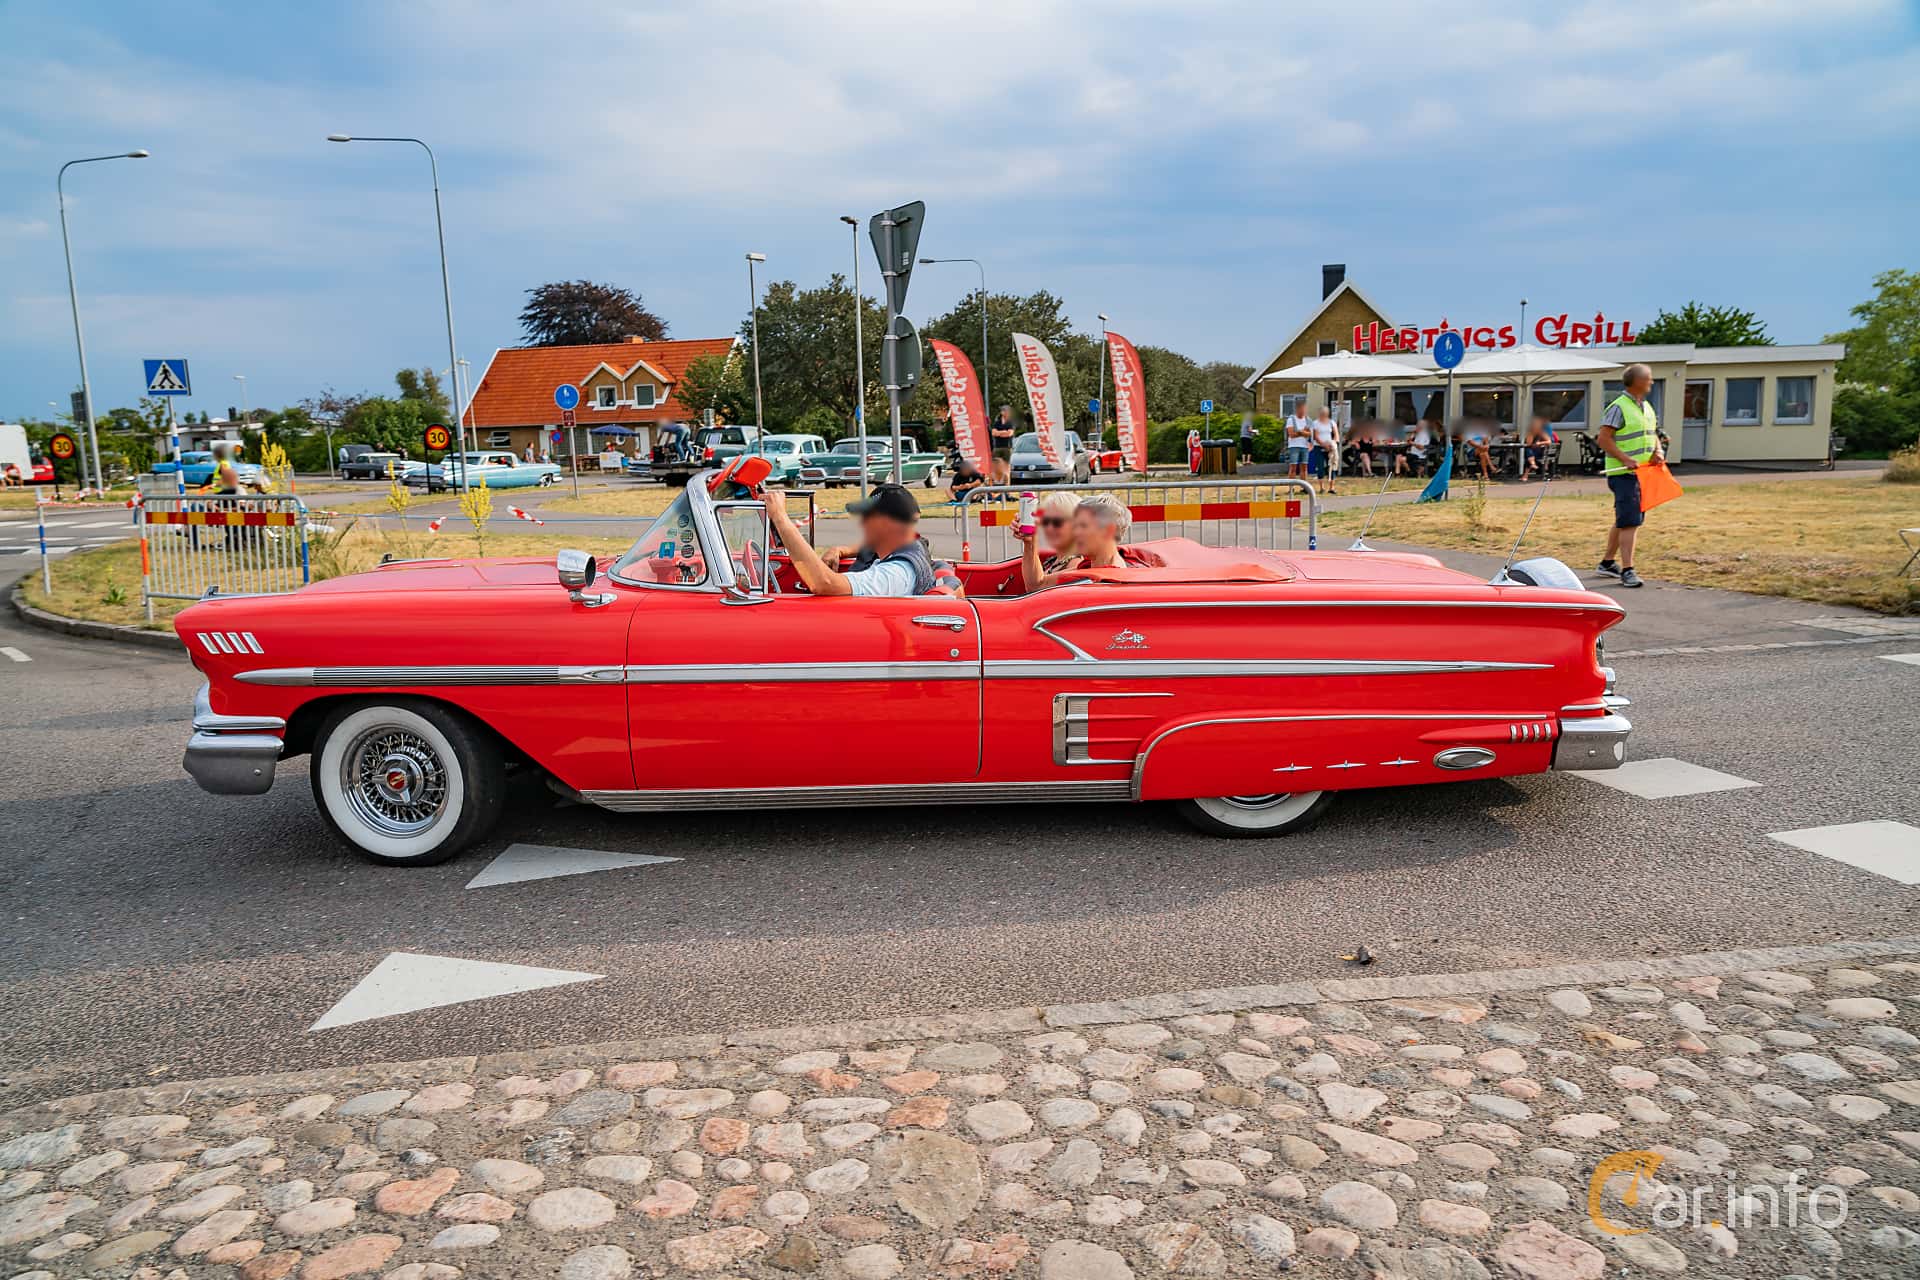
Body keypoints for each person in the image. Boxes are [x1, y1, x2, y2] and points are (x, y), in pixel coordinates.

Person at [765, 482, 931, 597]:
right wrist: (841, 550)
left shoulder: (895, 574)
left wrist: (780, 517)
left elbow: (824, 584)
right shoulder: (908, 547)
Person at [1596, 362, 1663, 589]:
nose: (1652, 382)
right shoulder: (1618, 407)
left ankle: (1606, 563)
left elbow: (1652, 433)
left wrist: (1658, 451)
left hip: (1642, 473)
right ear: (1638, 381)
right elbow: (1603, 439)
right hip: (1622, 473)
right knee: (1631, 521)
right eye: (1649, 378)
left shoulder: (1646, 407)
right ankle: (1628, 570)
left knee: (1624, 519)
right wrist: (1625, 459)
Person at [1019, 493, 1145, 591]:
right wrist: (1030, 542)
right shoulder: (1088, 566)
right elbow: (1036, 585)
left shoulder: (1110, 581)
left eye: (1083, 526)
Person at [1019, 491, 1082, 591]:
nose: (1049, 528)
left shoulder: (1076, 563)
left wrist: (1030, 542)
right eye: (1046, 521)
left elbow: (1035, 588)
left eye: (1057, 522)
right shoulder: (1056, 559)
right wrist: (1029, 540)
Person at [1312, 407, 1341, 494]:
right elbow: (1315, 436)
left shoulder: (1332, 423)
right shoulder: (1315, 423)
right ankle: (1321, 487)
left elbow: (1336, 435)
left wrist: (1333, 443)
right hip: (1319, 447)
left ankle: (1332, 487)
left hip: (1331, 447)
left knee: (1332, 466)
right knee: (1320, 466)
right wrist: (1324, 445)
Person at [1522, 414, 1556, 479]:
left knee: (1528, 452)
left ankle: (1527, 472)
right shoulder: (1531, 433)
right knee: (1528, 450)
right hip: (1534, 451)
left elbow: (1549, 441)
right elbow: (1529, 443)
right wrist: (1531, 434)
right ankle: (1532, 465)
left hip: (1541, 452)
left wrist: (1539, 443)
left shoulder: (1542, 432)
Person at [1284, 405, 1313, 480]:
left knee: (1304, 467)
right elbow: (1291, 434)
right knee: (1293, 467)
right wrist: (1303, 432)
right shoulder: (1291, 419)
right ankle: (1291, 487)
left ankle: (1304, 487)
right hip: (1294, 446)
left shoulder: (1308, 420)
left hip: (1305, 446)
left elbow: (1310, 434)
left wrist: (1300, 432)